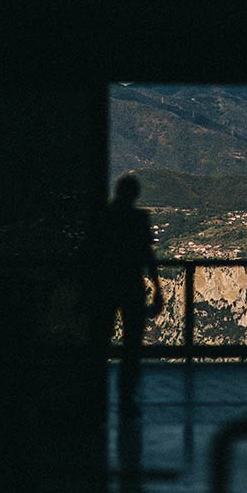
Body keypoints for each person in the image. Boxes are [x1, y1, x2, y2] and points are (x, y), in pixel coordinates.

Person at [100, 174, 164, 417]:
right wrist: (157, 288)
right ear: (135, 195)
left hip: (106, 285)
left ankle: (97, 396)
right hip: (132, 285)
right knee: (132, 344)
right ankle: (127, 399)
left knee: (102, 339)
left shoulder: (103, 217)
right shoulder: (139, 218)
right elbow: (149, 256)